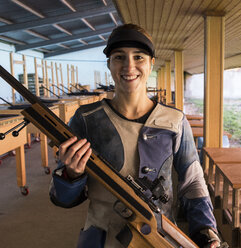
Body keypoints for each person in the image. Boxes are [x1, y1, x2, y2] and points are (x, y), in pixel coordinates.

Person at [49, 24, 221, 248]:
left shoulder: (175, 122)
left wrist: (207, 233)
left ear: (151, 63)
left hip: (159, 239)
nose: (129, 66)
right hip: (102, 240)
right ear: (109, 64)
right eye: (119, 57)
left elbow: (193, 183)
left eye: (138, 57)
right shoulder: (85, 119)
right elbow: (62, 198)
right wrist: (71, 175)